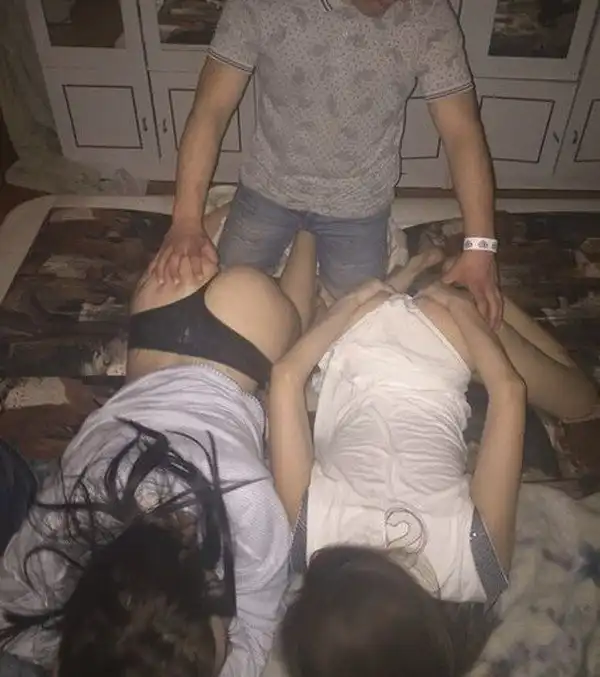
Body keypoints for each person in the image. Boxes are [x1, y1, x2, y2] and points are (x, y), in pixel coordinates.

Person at [267, 246, 598, 677]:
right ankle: (417, 285)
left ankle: (466, 292)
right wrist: (356, 301)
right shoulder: (307, 540)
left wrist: (463, 313)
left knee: (583, 403)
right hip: (358, 328)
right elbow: (285, 377)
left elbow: (509, 392)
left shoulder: (477, 569)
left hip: (444, 337)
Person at [0, 229, 318, 677]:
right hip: (159, 318)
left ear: (210, 591)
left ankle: (306, 234)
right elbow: (12, 605)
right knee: (218, 258)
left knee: (292, 334)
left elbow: (259, 622)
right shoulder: (66, 515)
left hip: (239, 344)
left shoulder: (246, 505)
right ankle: (274, 226)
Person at [151, 0, 503, 327]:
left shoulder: (427, 12)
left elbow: (462, 133)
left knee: (357, 324)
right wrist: (185, 220)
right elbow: (210, 110)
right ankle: (238, 212)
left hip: (358, 204)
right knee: (221, 306)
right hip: (267, 188)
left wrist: (480, 248)